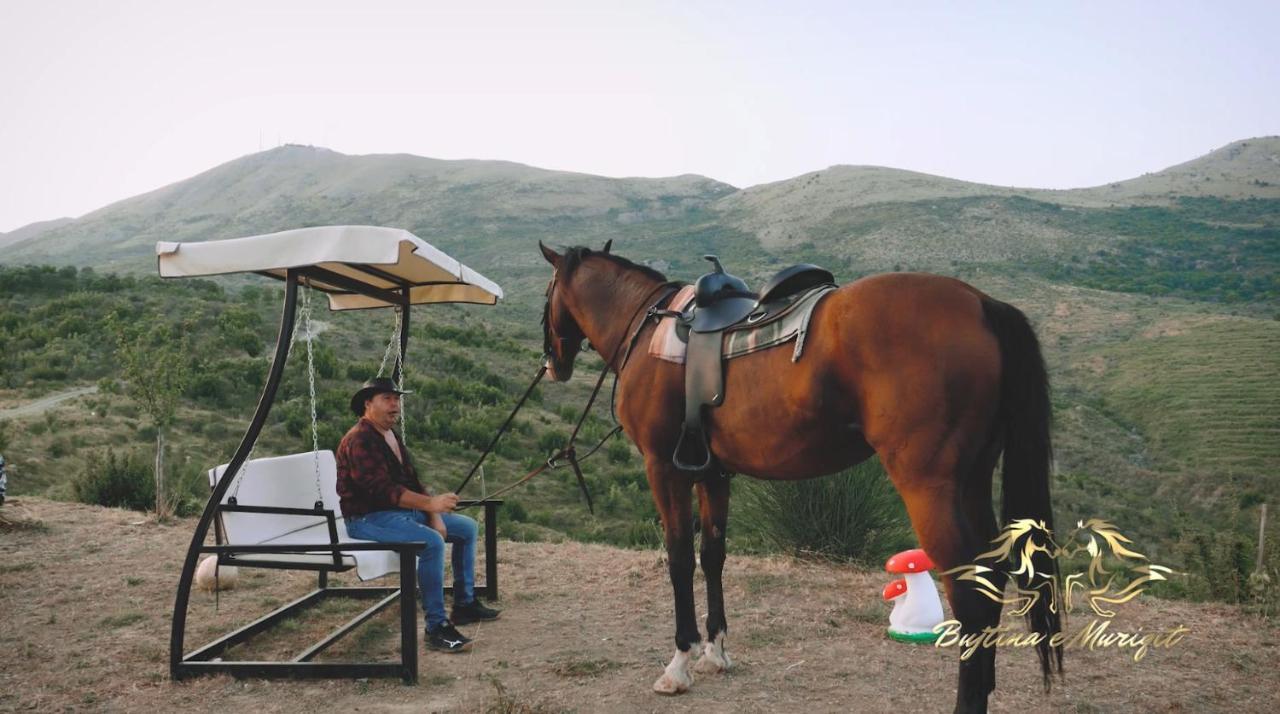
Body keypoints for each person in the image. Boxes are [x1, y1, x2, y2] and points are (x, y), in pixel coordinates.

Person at [336, 377, 499, 653]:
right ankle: (436, 627)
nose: (395, 405)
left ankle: (464, 604)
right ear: (368, 404)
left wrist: (433, 513)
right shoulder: (358, 440)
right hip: (367, 518)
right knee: (432, 543)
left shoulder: (390, 436)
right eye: (387, 399)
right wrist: (431, 504)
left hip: (401, 513)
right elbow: (382, 490)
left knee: (467, 528)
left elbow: (411, 479)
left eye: (396, 399)